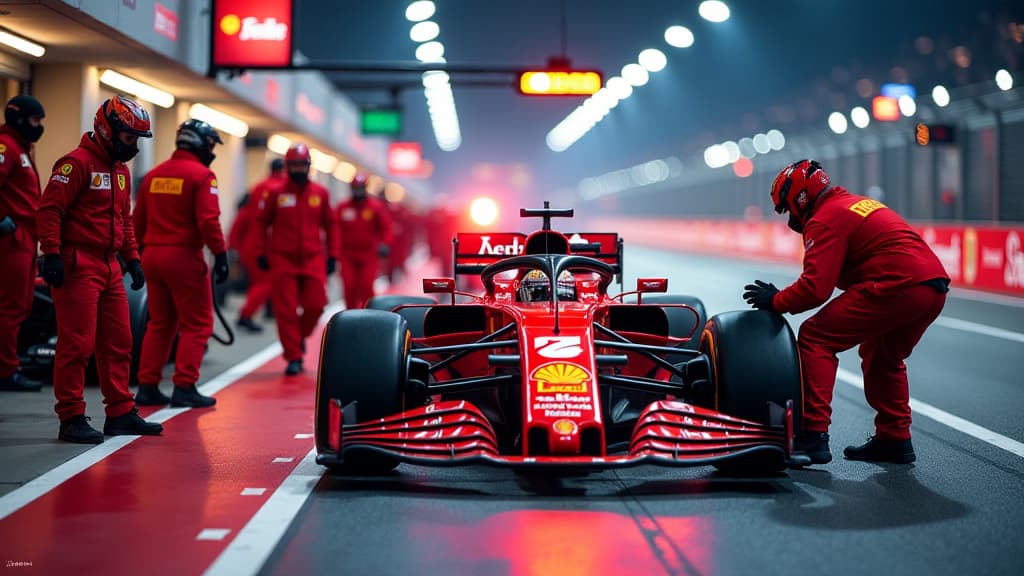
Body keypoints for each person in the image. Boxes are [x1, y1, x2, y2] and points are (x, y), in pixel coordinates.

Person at [742, 159, 949, 465]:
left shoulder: (824, 219)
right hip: (933, 287)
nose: (790, 221)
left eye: (788, 209)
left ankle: (813, 436)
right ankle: (895, 439)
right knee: (882, 355)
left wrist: (775, 300)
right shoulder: (856, 204)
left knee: (815, 337)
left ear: (800, 197)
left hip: (897, 284)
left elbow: (815, 289)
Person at [36, 95, 163, 443]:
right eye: (128, 138)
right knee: (77, 345)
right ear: (108, 130)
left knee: (120, 342)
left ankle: (120, 412)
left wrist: (133, 259)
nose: (133, 146)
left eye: (137, 139)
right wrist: (51, 254)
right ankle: (71, 416)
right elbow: (49, 212)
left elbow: (124, 220)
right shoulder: (74, 165)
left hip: (109, 267)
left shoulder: (120, 172)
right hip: (78, 265)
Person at [132, 119, 228, 408]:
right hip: (184, 257)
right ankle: (184, 386)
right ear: (201, 144)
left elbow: (137, 221)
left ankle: (147, 385)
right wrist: (221, 253)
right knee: (197, 323)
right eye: (211, 145)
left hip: (152, 257)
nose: (212, 151)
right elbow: (208, 221)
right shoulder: (202, 176)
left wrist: (133, 256)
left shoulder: (154, 175)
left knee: (160, 323)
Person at [256, 144, 339, 376]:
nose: (298, 169)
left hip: (313, 259)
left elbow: (331, 226)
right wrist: (260, 253)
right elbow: (261, 223)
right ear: (287, 166)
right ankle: (294, 356)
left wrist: (333, 255)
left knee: (316, 304)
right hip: (282, 259)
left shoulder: (320, 194)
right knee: (286, 311)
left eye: (301, 165)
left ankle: (299, 337)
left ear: (308, 166)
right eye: (293, 165)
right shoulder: (275, 193)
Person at [0, 95, 46, 392]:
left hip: (26, 239)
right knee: (10, 307)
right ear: (19, 118)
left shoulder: (22, 149)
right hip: (11, 238)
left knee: (21, 305)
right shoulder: (6, 147)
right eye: (35, 121)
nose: (39, 127)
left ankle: (9, 364)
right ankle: (6, 371)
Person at [229, 157, 284, 333]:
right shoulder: (282, 188)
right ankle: (246, 315)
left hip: (252, 243)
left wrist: (233, 246)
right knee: (265, 283)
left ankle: (268, 309)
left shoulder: (259, 187)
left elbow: (242, 220)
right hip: (268, 245)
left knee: (262, 282)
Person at [336, 173, 391, 310]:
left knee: (366, 285)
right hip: (347, 255)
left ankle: (370, 314)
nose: (358, 191)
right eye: (355, 188)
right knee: (349, 287)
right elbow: (334, 229)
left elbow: (386, 228)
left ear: (365, 188)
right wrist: (333, 251)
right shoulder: (343, 208)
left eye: (360, 188)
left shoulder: (375, 207)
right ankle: (350, 316)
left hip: (368, 255)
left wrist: (385, 244)